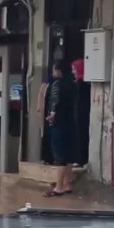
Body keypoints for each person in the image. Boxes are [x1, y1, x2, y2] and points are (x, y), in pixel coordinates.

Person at [44, 61, 75, 196]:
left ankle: (58, 186)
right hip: (71, 124)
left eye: (54, 70)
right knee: (68, 155)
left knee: (59, 156)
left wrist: (52, 114)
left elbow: (55, 100)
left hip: (59, 124)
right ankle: (67, 184)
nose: (52, 72)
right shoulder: (73, 84)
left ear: (58, 71)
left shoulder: (57, 83)